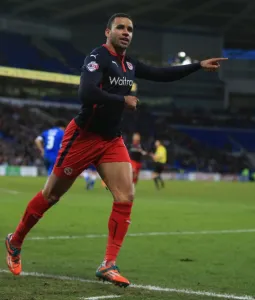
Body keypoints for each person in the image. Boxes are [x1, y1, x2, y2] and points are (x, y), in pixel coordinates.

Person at [5, 13, 227, 287]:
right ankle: (15, 242)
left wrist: (197, 65)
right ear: (107, 31)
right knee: (50, 196)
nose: (126, 32)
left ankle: (108, 264)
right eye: (120, 27)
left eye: (130, 29)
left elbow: (160, 74)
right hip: (83, 137)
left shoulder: (129, 63)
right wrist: (122, 99)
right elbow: (85, 93)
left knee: (126, 196)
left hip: (110, 139)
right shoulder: (97, 57)